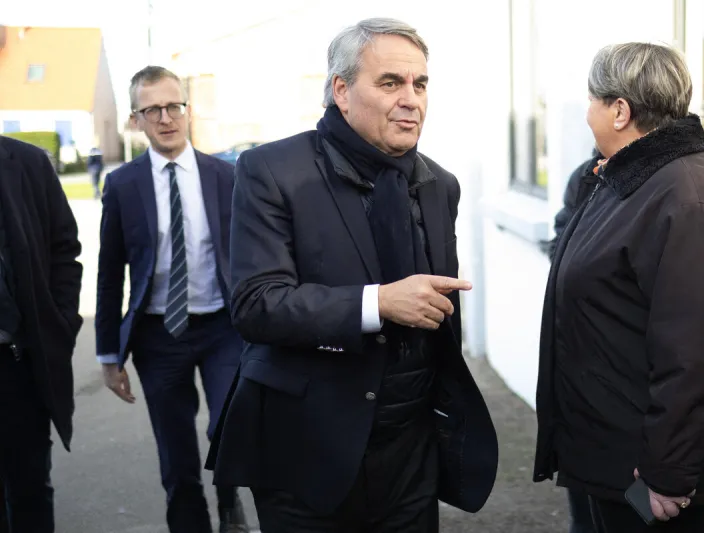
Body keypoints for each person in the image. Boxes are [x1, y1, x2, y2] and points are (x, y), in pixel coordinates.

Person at [206, 18, 498, 532]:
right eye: (390, 83)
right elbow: (255, 304)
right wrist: (377, 303)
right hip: (307, 448)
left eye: (420, 84)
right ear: (341, 90)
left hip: (410, 452)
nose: (411, 99)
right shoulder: (271, 170)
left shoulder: (439, 184)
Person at [533, 42, 704, 533]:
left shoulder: (690, 203)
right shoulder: (624, 182)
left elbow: (697, 358)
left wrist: (668, 473)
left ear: (620, 111)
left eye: (593, 99)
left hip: (647, 474)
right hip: (606, 452)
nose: (585, 111)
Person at [95, 66, 248, 533]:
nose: (166, 118)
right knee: (176, 451)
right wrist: (109, 354)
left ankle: (229, 502)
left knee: (227, 426)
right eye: (153, 110)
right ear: (136, 119)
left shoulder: (227, 176)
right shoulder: (123, 185)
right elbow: (109, 273)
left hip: (223, 328)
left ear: (186, 109)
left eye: (174, 106)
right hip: (159, 334)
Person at [0, 135, 83, 532]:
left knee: (29, 488)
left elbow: (64, 249)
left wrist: (61, 326)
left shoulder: (28, 163)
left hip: (17, 363)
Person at [546, 151, 601, 533]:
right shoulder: (585, 176)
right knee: (584, 510)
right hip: (580, 366)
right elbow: (560, 247)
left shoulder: (669, 185)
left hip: (628, 380)